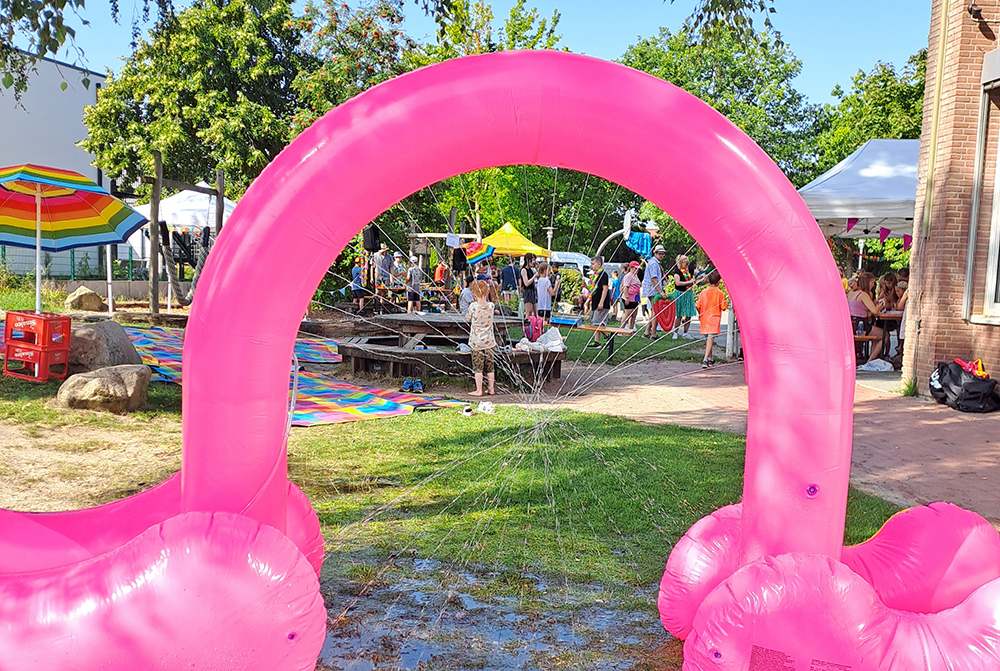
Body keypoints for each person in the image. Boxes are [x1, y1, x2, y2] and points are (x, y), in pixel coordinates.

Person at [466, 280, 497, 397]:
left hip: (476, 342)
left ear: (473, 294)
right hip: (490, 342)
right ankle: (491, 389)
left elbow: (468, 318)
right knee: (490, 367)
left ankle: (479, 390)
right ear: (488, 292)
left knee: (478, 368)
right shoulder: (491, 306)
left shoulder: (473, 307)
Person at [847, 272, 883, 363]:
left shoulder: (851, 293)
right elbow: (874, 310)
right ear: (868, 282)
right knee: (884, 335)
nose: (873, 284)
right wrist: (882, 304)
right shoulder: (863, 295)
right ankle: (870, 360)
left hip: (850, 323)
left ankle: (870, 356)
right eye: (872, 282)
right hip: (860, 324)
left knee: (876, 335)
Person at [696, 270, 727, 368]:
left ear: (708, 281)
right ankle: (705, 359)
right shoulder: (720, 293)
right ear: (718, 282)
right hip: (714, 318)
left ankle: (710, 358)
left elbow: (697, 305)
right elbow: (724, 307)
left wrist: (700, 313)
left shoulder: (703, 292)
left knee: (708, 338)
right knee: (710, 338)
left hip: (704, 318)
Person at [670, 255, 699, 339]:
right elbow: (677, 283)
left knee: (688, 314)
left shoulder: (689, 269)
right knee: (679, 314)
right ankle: (675, 332)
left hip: (688, 293)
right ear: (681, 263)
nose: (687, 264)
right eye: (686, 263)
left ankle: (685, 333)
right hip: (680, 293)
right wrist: (689, 281)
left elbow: (698, 273)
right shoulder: (677, 272)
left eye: (688, 263)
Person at [642, 246, 667, 339]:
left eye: (662, 254)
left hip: (652, 290)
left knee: (654, 312)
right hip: (653, 291)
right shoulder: (654, 264)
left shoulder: (653, 262)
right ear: (655, 253)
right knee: (656, 312)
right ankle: (653, 334)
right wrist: (661, 292)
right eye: (659, 254)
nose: (661, 256)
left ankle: (647, 332)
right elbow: (654, 278)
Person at [587, 255, 611, 348]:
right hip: (595, 301)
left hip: (602, 303)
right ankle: (596, 342)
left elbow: (605, 289)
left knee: (597, 322)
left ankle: (608, 337)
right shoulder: (594, 276)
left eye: (593, 264)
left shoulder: (603, 275)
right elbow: (594, 290)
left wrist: (601, 302)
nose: (591, 266)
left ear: (599, 264)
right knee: (595, 322)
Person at [621, 260, 641, 331]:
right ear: (631, 268)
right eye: (635, 268)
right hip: (629, 297)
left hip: (635, 298)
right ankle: (621, 330)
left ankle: (631, 329)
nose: (637, 270)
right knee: (627, 314)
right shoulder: (628, 276)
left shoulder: (635, 276)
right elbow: (626, 287)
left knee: (634, 315)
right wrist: (627, 298)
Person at [520, 252, 538, 317]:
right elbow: (526, 283)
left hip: (533, 291)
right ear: (528, 260)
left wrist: (537, 268)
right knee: (529, 311)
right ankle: (526, 326)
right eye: (533, 260)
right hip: (527, 291)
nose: (534, 262)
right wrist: (534, 277)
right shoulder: (524, 270)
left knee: (535, 311)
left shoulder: (531, 270)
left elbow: (539, 276)